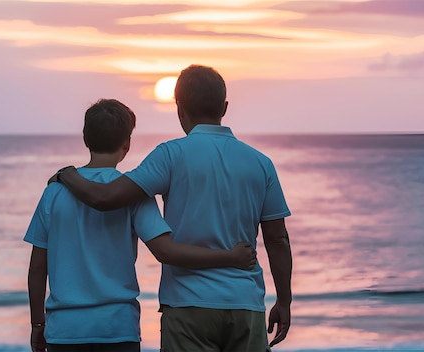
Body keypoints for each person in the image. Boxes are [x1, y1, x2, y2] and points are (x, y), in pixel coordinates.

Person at [53, 65, 293, 351]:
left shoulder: (170, 155)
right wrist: (283, 301)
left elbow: (105, 198)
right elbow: (277, 239)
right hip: (245, 304)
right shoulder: (260, 163)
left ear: (179, 108)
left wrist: (66, 175)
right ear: (224, 108)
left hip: (186, 306)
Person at [25, 98, 258, 352]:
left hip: (65, 331)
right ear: (127, 144)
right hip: (118, 328)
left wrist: (38, 324)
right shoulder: (133, 194)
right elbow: (166, 252)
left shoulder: (54, 193)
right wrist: (229, 256)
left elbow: (38, 268)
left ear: (85, 139)